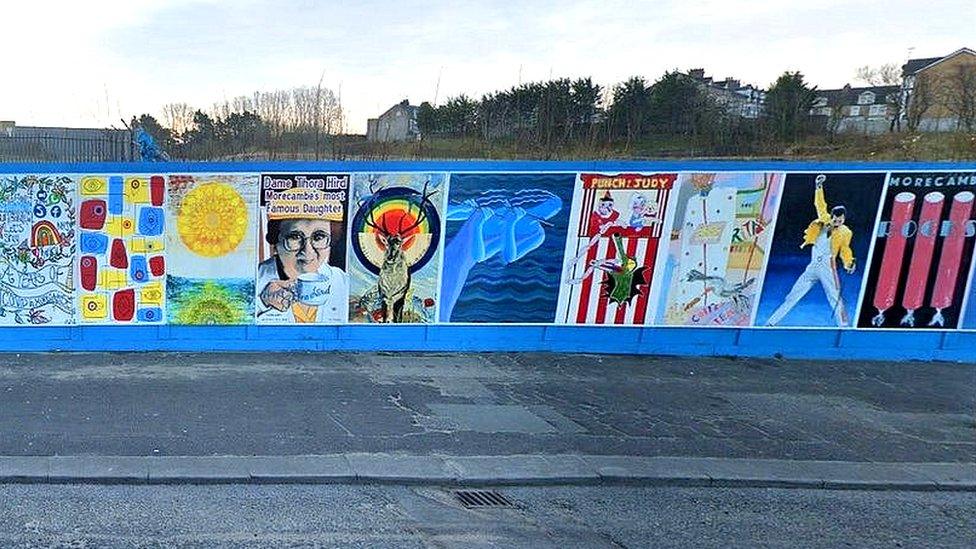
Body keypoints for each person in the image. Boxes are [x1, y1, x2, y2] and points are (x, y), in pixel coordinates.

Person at [766, 176, 855, 327]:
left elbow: (845, 250)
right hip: (813, 265)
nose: (838, 222)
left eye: (841, 220)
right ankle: (771, 322)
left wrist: (849, 263)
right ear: (832, 217)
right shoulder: (823, 219)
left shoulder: (845, 232)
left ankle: (844, 326)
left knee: (834, 295)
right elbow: (820, 204)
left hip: (828, 265)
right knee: (793, 294)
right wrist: (818, 186)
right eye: (836, 220)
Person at [256, 218, 348, 323]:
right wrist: (262, 302)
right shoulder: (254, 279)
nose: (308, 252)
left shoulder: (341, 280)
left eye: (319, 237)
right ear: (275, 244)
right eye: (295, 237)